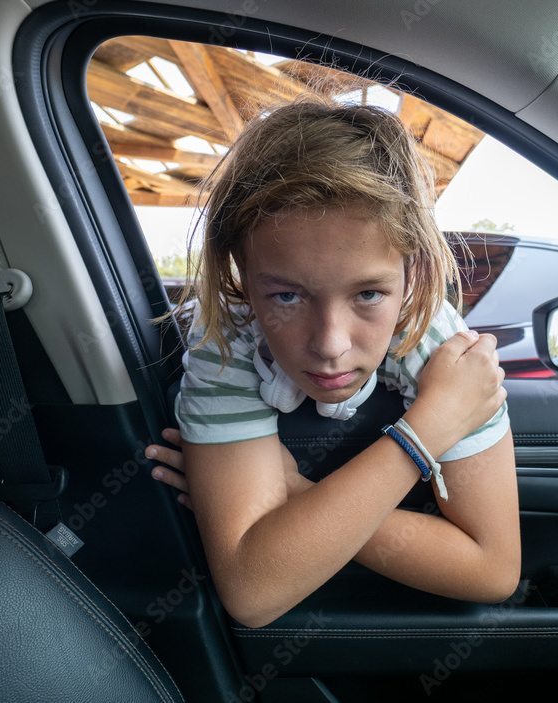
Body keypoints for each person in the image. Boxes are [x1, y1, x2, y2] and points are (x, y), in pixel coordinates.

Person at [146, 99, 520, 629]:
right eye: (286, 296)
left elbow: (493, 570)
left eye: (368, 293)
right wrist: (429, 429)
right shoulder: (228, 338)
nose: (330, 344)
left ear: (411, 274)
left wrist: (296, 493)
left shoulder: (435, 339)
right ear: (242, 276)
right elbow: (252, 591)